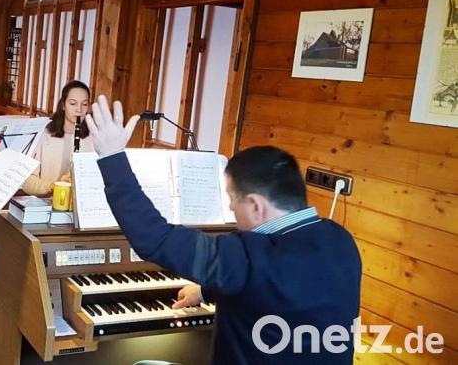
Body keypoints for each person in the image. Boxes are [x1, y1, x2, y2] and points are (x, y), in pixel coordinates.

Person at [85, 96, 361, 364]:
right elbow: (280, 286)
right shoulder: (341, 240)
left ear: (255, 205)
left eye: (231, 197)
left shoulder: (247, 256)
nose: (230, 207)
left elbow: (153, 238)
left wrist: (111, 156)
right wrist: (204, 292)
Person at [22, 80, 94, 196]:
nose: (79, 110)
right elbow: (26, 181)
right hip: (47, 205)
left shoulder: (94, 139)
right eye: (73, 103)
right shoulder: (44, 136)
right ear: (63, 105)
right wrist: (53, 186)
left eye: (84, 104)